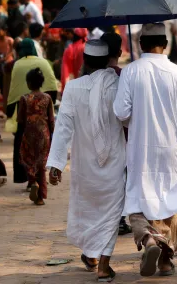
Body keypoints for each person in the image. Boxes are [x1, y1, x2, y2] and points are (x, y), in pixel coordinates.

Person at [114, 23, 177, 277]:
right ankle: (166, 260)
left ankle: (149, 240)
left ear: (141, 45)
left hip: (140, 151)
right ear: (165, 44)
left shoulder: (130, 72)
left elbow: (121, 112)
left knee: (138, 199)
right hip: (171, 151)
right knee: (171, 201)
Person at [48, 39, 125, 281]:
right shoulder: (120, 85)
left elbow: (62, 129)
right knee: (112, 213)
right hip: (114, 162)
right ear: (107, 60)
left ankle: (94, 257)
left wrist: (56, 164)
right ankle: (102, 262)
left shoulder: (73, 88)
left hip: (84, 165)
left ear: (86, 62)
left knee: (89, 211)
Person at [7, 38, 59, 185]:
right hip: (43, 116)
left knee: (24, 149)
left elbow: (13, 90)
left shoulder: (17, 65)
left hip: (24, 114)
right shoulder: (43, 62)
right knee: (42, 152)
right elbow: (53, 87)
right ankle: (40, 182)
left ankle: (28, 179)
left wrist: (10, 110)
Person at [19, 68, 55, 205]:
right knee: (41, 164)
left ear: (28, 83)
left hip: (29, 134)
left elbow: (20, 120)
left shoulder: (24, 98)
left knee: (27, 159)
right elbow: (51, 120)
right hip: (44, 134)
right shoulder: (47, 98)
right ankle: (40, 198)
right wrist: (52, 136)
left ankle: (32, 181)